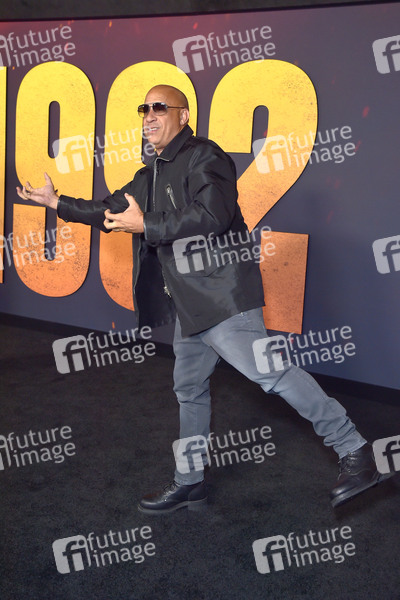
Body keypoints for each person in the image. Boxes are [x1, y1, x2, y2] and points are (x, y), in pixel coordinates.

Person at [17, 84, 392, 514]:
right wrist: (56, 202)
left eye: (160, 107)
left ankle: (355, 449)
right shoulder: (148, 175)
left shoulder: (205, 156)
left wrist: (147, 224)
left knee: (271, 374)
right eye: (144, 108)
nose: (149, 116)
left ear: (183, 115)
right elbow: (110, 212)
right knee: (189, 389)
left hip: (222, 296)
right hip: (189, 303)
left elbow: (212, 215)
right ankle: (189, 483)